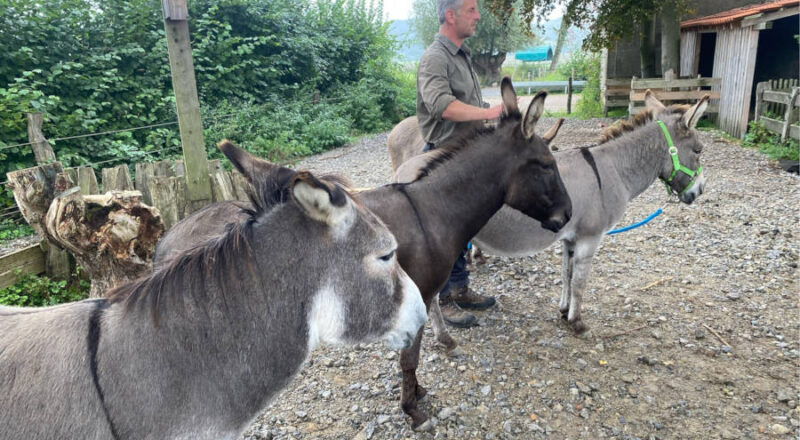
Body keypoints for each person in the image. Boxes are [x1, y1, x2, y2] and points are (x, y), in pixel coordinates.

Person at [416, 0, 503, 328]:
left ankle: (461, 287)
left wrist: (490, 110)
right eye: (471, 9)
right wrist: (488, 113)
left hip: (466, 156)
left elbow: (467, 103)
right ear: (450, 15)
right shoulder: (435, 58)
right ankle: (444, 299)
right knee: (445, 233)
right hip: (445, 157)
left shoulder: (461, 55)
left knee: (465, 227)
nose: (478, 15)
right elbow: (443, 106)